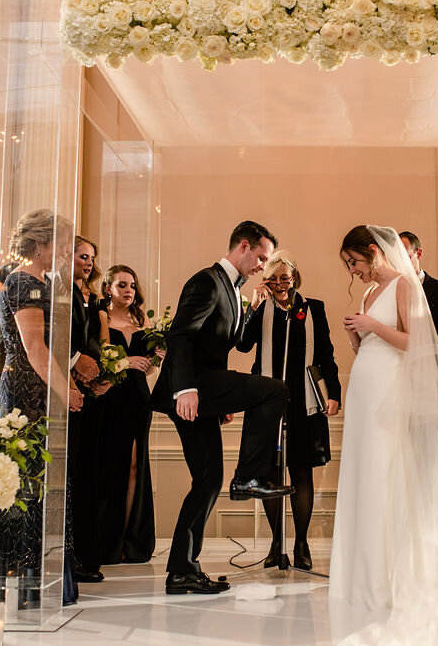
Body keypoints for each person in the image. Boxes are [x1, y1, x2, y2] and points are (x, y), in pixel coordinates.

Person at [329, 225, 438, 643]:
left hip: (391, 391)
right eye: (349, 267)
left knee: (388, 474)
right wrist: (356, 333)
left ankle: (389, 577)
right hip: (365, 389)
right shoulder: (366, 294)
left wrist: (372, 324)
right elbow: (367, 344)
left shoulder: (403, 285)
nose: (354, 272)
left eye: (355, 263)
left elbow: (416, 342)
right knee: (365, 475)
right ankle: (361, 573)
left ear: (372, 251)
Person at [151, 221, 293, 596]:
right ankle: (248, 476)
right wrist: (186, 389)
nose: (264, 265)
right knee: (276, 391)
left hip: (206, 391)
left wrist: (254, 309)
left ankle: (182, 569)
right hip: (191, 386)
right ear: (243, 246)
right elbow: (180, 334)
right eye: (262, 257)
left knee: (208, 480)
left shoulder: (234, 289)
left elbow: (241, 346)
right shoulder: (207, 281)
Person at [0, 209, 82, 608]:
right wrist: (67, 392)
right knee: (25, 483)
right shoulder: (23, 280)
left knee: (39, 483)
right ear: (40, 243)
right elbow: (35, 349)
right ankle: (13, 578)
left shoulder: (43, 281)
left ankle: (33, 579)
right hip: (27, 390)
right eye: (61, 242)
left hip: (40, 388)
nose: (66, 250)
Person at [236, 250, 341, 571]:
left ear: (295, 278)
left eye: (286, 278)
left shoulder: (312, 309)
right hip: (266, 401)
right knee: (268, 473)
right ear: (265, 280)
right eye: (274, 278)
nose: (281, 284)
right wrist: (253, 307)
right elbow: (241, 344)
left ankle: (301, 543)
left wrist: (334, 394)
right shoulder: (260, 309)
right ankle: (276, 543)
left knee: (300, 471)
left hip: (303, 400)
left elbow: (326, 355)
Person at [96, 264, 158, 565]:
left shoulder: (141, 319)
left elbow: (146, 367)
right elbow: (101, 361)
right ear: (108, 288)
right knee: (111, 467)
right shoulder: (102, 318)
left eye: (132, 285)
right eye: (122, 285)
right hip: (111, 399)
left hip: (138, 399)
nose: (129, 290)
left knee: (136, 465)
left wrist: (156, 357)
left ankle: (131, 541)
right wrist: (126, 361)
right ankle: (108, 541)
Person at [67, 237, 105, 583]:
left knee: (85, 473)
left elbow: (94, 341)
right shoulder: (59, 293)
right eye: (83, 256)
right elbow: (58, 339)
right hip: (63, 391)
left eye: (92, 258)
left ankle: (83, 554)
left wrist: (97, 377)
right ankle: (67, 556)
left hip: (86, 392)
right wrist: (77, 363)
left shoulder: (89, 299)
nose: (89, 263)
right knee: (70, 474)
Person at [399, 231, 438, 390]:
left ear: (418, 253)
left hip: (432, 384)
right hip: (399, 383)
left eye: (405, 256)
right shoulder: (390, 293)